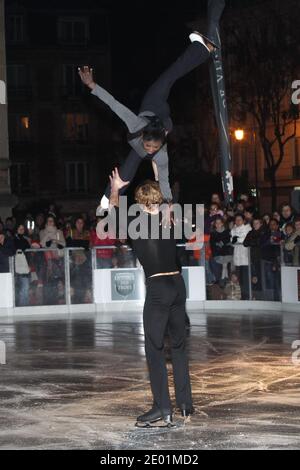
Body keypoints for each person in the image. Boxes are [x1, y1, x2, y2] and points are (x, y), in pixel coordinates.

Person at [79, 1, 226, 212]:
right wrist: (92, 86)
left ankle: (202, 49)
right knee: (128, 168)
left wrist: (167, 204)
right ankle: (105, 202)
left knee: (169, 76)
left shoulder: (159, 153)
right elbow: (114, 105)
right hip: (154, 109)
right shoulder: (137, 125)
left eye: (153, 148)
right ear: (144, 138)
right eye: (149, 147)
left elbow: (164, 181)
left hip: (157, 112)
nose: (149, 151)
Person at [108, 168, 193, 427]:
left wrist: (115, 187)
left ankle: (162, 408)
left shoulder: (135, 224)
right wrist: (159, 168)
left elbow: (111, 213)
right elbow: (166, 196)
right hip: (178, 285)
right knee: (178, 347)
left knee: (154, 350)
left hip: (158, 289)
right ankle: (185, 405)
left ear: (139, 202)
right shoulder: (170, 216)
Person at [230, 214, 252, 300]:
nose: (238, 221)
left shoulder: (248, 228)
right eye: (236, 220)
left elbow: (244, 240)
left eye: (240, 219)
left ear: (243, 220)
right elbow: (232, 241)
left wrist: (236, 239)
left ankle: (248, 295)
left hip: (246, 257)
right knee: (240, 278)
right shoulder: (233, 230)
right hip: (237, 257)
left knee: (246, 278)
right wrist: (235, 240)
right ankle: (243, 295)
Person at [14, 224, 31, 306]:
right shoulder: (13, 239)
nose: (21, 230)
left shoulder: (25, 239)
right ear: (16, 229)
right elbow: (19, 246)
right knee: (20, 289)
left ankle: (25, 307)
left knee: (26, 288)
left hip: (25, 267)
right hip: (16, 268)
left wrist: (30, 264)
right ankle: (20, 307)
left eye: (23, 229)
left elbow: (28, 249)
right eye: (19, 228)